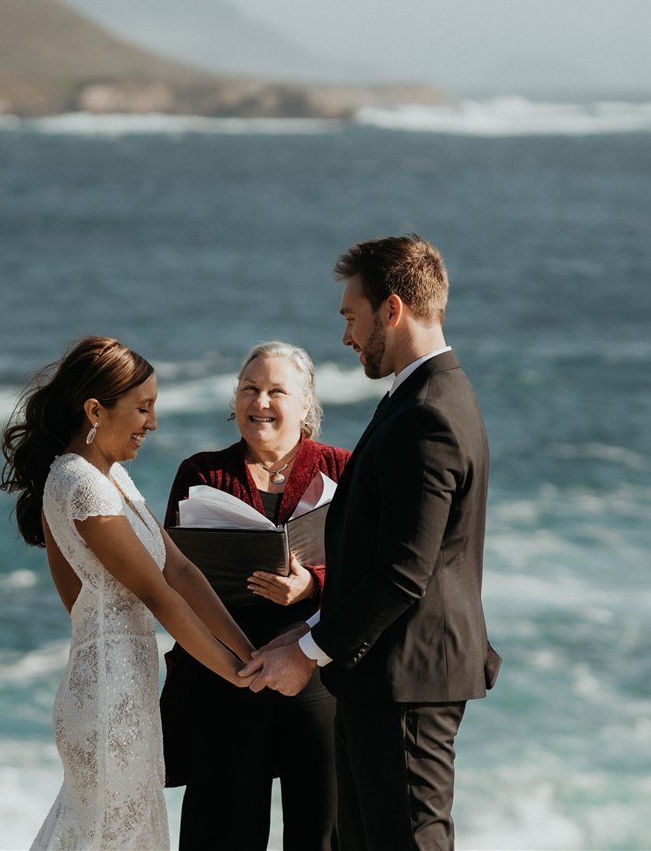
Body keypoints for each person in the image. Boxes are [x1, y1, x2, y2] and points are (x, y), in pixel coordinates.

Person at [243, 235, 502, 851]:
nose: (346, 337)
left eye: (351, 317)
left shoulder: (429, 413)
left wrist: (308, 653)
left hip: (407, 688)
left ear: (392, 310)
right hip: (377, 683)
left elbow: (404, 573)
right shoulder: (419, 399)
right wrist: (305, 634)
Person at [0, 335, 256, 851]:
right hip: (105, 696)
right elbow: (159, 597)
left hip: (130, 690)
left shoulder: (113, 477)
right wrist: (237, 676)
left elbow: (180, 571)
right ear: (95, 409)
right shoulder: (78, 482)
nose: (152, 423)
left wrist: (248, 654)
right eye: (143, 408)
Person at [159, 341, 351, 851]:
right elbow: (173, 572)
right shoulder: (201, 473)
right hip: (228, 678)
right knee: (220, 834)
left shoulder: (343, 468)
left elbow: (373, 575)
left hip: (315, 674)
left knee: (322, 834)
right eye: (249, 389)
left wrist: (313, 584)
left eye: (275, 391)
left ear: (305, 405)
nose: (259, 402)